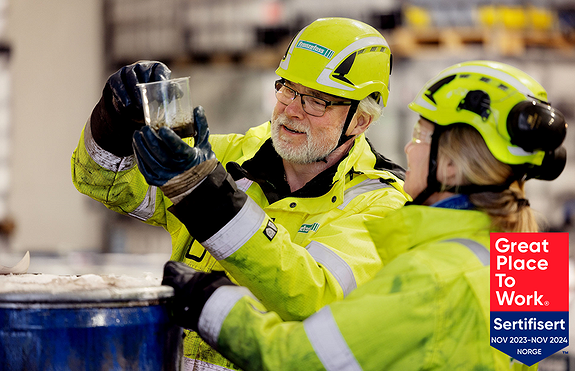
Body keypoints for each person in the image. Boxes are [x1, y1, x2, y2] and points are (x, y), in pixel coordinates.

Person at [159, 60, 567, 370]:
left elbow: (296, 359)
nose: (409, 149)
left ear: (451, 168)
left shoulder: (429, 275)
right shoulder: (533, 263)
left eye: (422, 135)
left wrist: (207, 302)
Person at [72, 17, 408, 370]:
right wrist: (112, 120)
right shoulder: (234, 156)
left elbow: (315, 296)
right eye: (288, 89)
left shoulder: (382, 204)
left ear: (361, 121)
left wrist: (204, 194)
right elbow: (103, 182)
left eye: (317, 101)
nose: (292, 110)